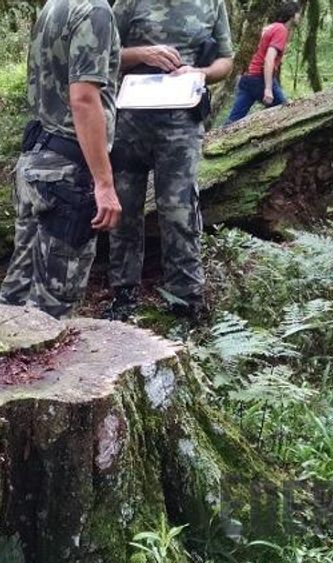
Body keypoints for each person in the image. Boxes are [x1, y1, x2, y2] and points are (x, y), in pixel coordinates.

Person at [103, 0, 235, 322]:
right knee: (124, 210)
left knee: (179, 213)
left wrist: (200, 73)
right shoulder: (129, 3)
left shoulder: (211, 3)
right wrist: (142, 55)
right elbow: (105, 55)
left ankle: (186, 304)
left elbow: (226, 60)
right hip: (130, 122)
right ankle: (124, 297)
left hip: (181, 124)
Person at [0, 0, 123, 319]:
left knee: (17, 289)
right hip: (66, 171)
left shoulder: (57, 5)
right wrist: (104, 182)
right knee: (54, 304)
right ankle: (34, 366)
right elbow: (83, 99)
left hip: (37, 159)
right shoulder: (95, 10)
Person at [224, 2, 301, 125]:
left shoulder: (273, 27)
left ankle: (217, 140)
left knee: (233, 121)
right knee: (286, 111)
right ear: (292, 15)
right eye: (298, 14)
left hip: (248, 77)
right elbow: (269, 59)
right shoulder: (281, 30)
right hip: (259, 78)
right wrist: (268, 89)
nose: (299, 17)